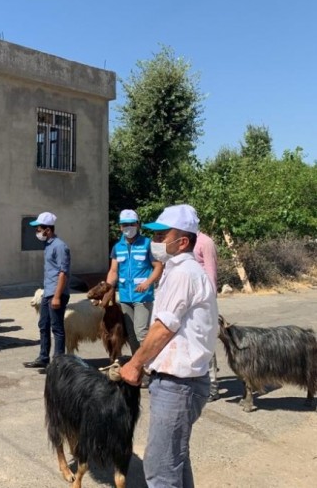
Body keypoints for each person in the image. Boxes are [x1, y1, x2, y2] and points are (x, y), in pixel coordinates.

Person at [120, 204, 218, 488]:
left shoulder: (183, 273)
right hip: (178, 382)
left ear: (183, 241)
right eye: (156, 235)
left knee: (161, 467)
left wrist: (135, 364)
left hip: (179, 385)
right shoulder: (177, 271)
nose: (156, 241)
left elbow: (163, 328)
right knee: (175, 459)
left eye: (163, 236)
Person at [106, 209, 163, 376]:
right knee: (130, 334)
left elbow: (158, 267)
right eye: (125, 224)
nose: (128, 227)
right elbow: (113, 270)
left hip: (143, 296)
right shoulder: (117, 247)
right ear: (120, 227)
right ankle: (137, 367)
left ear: (138, 225)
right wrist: (108, 289)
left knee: (142, 333)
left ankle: (151, 368)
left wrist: (148, 283)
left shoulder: (147, 244)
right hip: (125, 296)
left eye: (131, 224)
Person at [23, 212, 71, 370]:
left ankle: (58, 363)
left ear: (48, 230)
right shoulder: (48, 245)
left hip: (56, 294)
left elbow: (63, 273)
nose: (37, 232)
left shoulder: (60, 246)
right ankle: (43, 357)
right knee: (43, 324)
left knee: (56, 328)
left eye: (39, 229)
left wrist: (57, 296)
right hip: (47, 292)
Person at [194, 230, 220, 401]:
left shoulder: (205, 242)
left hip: (203, 300)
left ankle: (212, 385)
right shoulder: (182, 242)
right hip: (188, 299)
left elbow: (211, 272)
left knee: (206, 341)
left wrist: (209, 300)